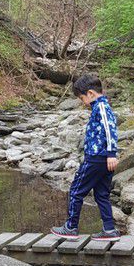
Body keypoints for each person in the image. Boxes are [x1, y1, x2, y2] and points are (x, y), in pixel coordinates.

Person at [52, 72, 120, 240]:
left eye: (82, 98)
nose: (83, 102)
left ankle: (71, 227)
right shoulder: (100, 106)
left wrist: (111, 153)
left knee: (76, 190)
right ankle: (109, 230)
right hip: (102, 159)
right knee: (101, 194)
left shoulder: (101, 107)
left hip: (96, 158)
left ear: (90, 93)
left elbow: (110, 129)